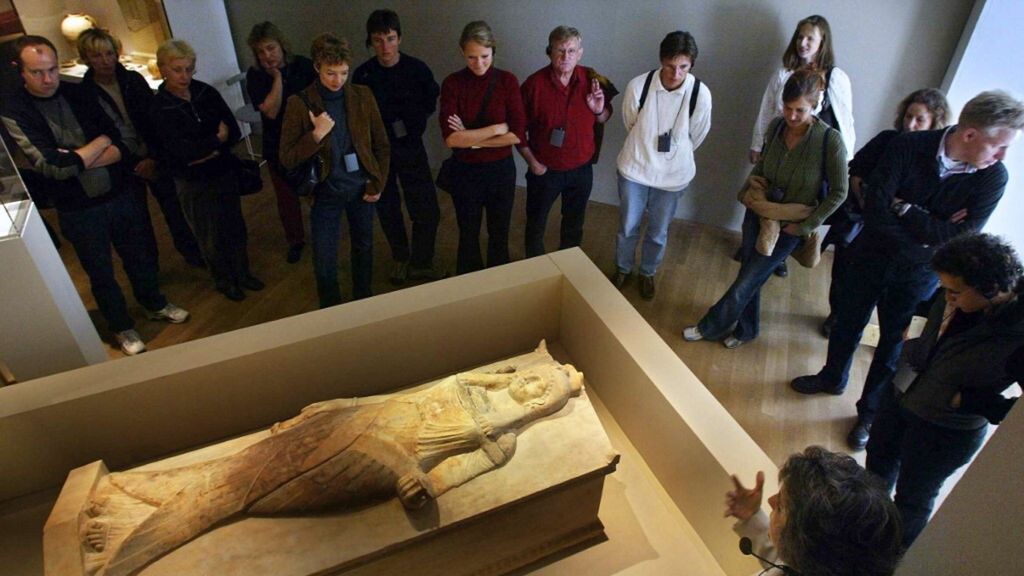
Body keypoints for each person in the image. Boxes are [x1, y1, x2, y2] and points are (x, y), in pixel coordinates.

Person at [79, 345, 583, 576]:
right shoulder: (478, 381)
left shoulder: (501, 443)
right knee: (239, 470)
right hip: (356, 423)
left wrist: (415, 485)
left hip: (379, 463)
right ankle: (122, 507)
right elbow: (397, 398)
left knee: (239, 492)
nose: (529, 384)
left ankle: (121, 555)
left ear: (540, 407)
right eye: (535, 378)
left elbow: (442, 480)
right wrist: (343, 403)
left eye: (539, 392)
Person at [791, 91, 1024, 452]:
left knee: (891, 345)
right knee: (846, 323)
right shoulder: (907, 145)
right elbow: (875, 207)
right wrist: (930, 226)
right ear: (969, 135)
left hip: (918, 275)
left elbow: (961, 236)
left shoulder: (993, 178)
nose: (1002, 156)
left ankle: (867, 413)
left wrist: (907, 210)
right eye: (999, 146)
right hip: (869, 257)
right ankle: (831, 376)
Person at [1, 36, 189, 355]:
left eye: (51, 70)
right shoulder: (14, 110)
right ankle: (121, 326)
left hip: (119, 192)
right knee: (100, 271)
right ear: (20, 71)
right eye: (37, 72)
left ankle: (152, 302)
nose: (48, 79)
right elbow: (52, 166)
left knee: (139, 255)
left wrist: (79, 156)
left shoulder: (79, 92)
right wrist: (98, 145)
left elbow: (121, 140)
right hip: (78, 207)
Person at [865, 233, 1024, 548]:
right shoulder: (954, 293)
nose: (946, 297)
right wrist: (915, 331)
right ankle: (866, 530)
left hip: (943, 432)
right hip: (900, 396)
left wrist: (973, 401)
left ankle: (888, 557)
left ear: (992, 289)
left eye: (954, 292)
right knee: (877, 467)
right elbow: (931, 306)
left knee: (912, 499)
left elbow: (1016, 416)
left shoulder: (1016, 336)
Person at [683, 70, 846, 348]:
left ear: (815, 105)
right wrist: (748, 193)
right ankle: (747, 329)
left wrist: (805, 226)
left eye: (800, 110)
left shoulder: (829, 141)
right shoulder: (776, 126)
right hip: (758, 212)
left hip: (790, 224)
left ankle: (710, 326)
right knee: (750, 272)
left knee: (748, 280)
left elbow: (840, 192)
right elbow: (762, 166)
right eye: (787, 108)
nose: (792, 116)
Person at [820, 89, 951, 338]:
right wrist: (867, 200)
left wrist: (889, 207)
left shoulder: (933, 160)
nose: (910, 124)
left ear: (935, 123)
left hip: (893, 237)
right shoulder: (887, 139)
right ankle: (836, 314)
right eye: (908, 116)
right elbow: (856, 169)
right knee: (843, 273)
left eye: (919, 119)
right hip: (857, 219)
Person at [77, 28, 203, 269]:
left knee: (174, 209)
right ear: (86, 58)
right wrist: (132, 161)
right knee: (138, 221)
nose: (105, 61)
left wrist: (154, 156)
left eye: (109, 53)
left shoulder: (133, 80)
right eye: (96, 55)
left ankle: (192, 254)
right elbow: (97, 133)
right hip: (122, 163)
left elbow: (155, 120)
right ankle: (150, 267)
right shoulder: (84, 93)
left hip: (153, 155)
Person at [280, 33, 389, 308]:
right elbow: (287, 157)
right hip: (326, 192)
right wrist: (316, 135)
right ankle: (331, 312)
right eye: (330, 73)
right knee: (325, 258)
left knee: (364, 247)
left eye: (343, 72)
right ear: (317, 68)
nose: (337, 80)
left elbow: (381, 145)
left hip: (361, 187)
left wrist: (378, 183)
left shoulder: (362, 96)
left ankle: (362, 301)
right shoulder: (299, 103)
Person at [151, 39, 264, 303]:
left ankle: (242, 272)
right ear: (163, 69)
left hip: (222, 172)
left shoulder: (205, 92)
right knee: (209, 234)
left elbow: (232, 131)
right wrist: (214, 143)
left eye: (189, 69)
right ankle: (224, 280)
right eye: (178, 69)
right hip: (193, 182)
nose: (185, 76)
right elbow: (179, 154)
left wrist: (204, 151)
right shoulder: (159, 108)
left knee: (235, 226)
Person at [748, 15, 855, 278]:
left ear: (823, 42)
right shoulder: (783, 73)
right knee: (769, 196)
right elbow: (767, 111)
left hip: (814, 157)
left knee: (800, 204)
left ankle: (782, 254)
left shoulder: (835, 78)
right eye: (800, 37)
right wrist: (757, 143)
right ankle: (757, 249)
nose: (803, 43)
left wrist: (846, 160)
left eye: (810, 38)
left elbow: (845, 119)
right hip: (780, 146)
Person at [613, 31, 712, 300]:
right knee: (628, 226)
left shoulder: (700, 94)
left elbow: (697, 136)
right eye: (670, 66)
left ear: (691, 65)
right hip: (635, 169)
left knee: (658, 231)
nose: (675, 73)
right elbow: (630, 124)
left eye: (683, 67)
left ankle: (647, 271)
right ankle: (623, 268)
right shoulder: (638, 86)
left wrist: (673, 156)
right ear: (661, 61)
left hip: (672, 177)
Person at [353, 9, 444, 284]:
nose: (385, 47)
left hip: (410, 148)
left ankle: (422, 260)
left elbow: (430, 101)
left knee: (426, 208)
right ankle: (401, 258)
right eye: (378, 40)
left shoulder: (417, 70)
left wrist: (411, 125)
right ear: (370, 42)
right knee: (388, 208)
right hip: (378, 154)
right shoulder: (363, 75)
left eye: (390, 39)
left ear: (400, 38)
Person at [726, 446, 901, 576]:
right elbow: (787, 563)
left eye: (781, 507)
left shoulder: (806, 559)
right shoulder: (818, 564)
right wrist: (752, 517)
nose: (771, 501)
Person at [439, 20, 526, 275]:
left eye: (484, 56)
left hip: (500, 171)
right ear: (462, 53)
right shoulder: (452, 83)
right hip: (465, 173)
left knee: (499, 233)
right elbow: (451, 139)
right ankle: (470, 290)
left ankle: (497, 287)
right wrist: (495, 129)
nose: (478, 63)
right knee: (468, 234)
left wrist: (471, 139)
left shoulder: (507, 81)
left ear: (493, 51)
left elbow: (517, 135)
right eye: (471, 57)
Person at [519, 25, 613, 258]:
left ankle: (568, 266)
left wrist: (599, 109)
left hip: (581, 169)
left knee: (574, 224)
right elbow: (517, 129)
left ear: (580, 53)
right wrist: (532, 163)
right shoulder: (533, 85)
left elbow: (606, 116)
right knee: (536, 224)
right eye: (560, 50)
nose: (565, 56)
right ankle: (534, 269)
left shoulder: (593, 78)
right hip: (545, 170)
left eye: (572, 51)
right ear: (549, 51)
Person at [245, 21, 317, 264]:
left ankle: (321, 233)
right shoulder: (256, 76)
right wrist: (277, 77)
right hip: (277, 145)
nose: (267, 55)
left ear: (281, 45)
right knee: (286, 198)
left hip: (307, 141)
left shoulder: (304, 66)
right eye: (261, 51)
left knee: (315, 189)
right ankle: (295, 241)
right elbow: (271, 111)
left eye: (270, 48)